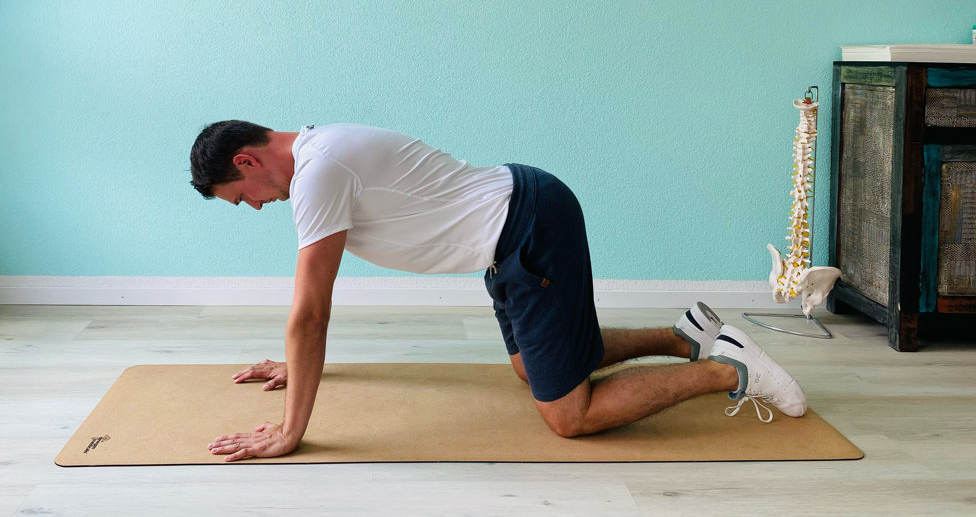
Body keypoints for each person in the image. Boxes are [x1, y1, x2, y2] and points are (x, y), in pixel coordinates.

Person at [189, 121, 807, 462]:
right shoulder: (320, 154)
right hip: (515, 225)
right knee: (529, 368)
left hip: (525, 229)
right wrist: (296, 366)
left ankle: (731, 369)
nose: (255, 207)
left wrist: (291, 430)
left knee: (569, 415)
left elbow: (310, 313)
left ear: (246, 162)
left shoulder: (318, 172)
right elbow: (310, 317)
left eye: (242, 198)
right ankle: (685, 338)